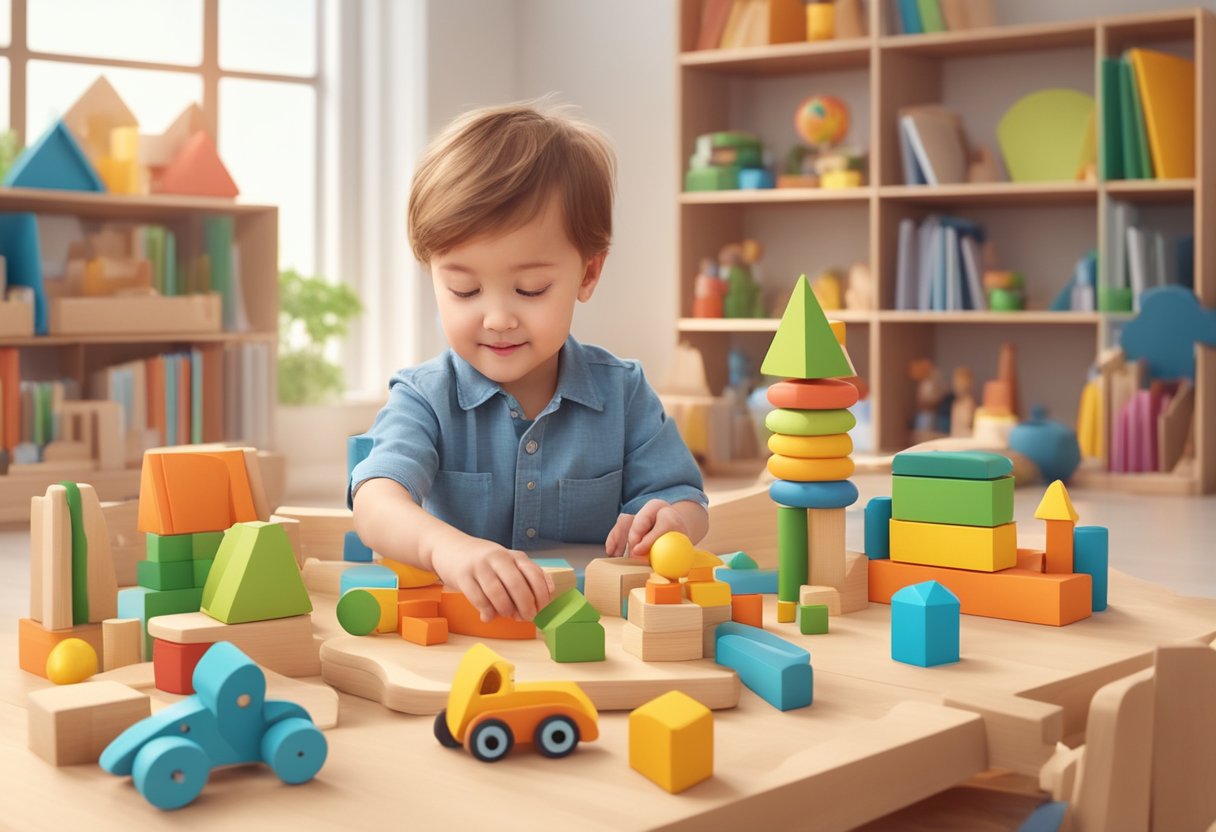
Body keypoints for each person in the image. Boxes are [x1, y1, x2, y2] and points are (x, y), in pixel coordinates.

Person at [350, 102, 708, 624]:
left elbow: (685, 499)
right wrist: (445, 549)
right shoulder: (424, 396)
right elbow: (376, 500)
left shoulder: (623, 392)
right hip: (464, 633)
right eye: (464, 289)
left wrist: (672, 521)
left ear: (588, 274)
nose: (497, 317)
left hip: (595, 631)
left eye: (529, 289)